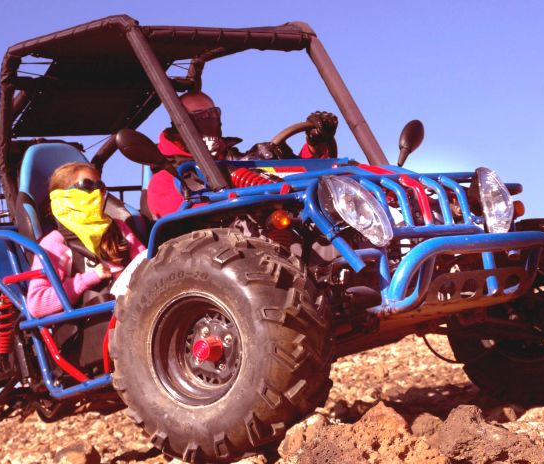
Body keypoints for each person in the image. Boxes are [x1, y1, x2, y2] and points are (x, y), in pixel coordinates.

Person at [147, 91, 339, 218]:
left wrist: (316, 146)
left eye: (213, 114)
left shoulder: (235, 160)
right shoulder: (166, 179)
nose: (209, 120)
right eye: (201, 116)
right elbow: (197, 225)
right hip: (216, 260)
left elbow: (298, 177)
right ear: (180, 125)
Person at [26, 162, 145, 319]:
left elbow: (147, 264)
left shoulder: (119, 228)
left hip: (137, 313)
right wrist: (87, 279)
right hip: (94, 324)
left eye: (100, 187)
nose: (96, 193)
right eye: (87, 186)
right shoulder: (55, 243)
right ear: (63, 195)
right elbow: (37, 304)